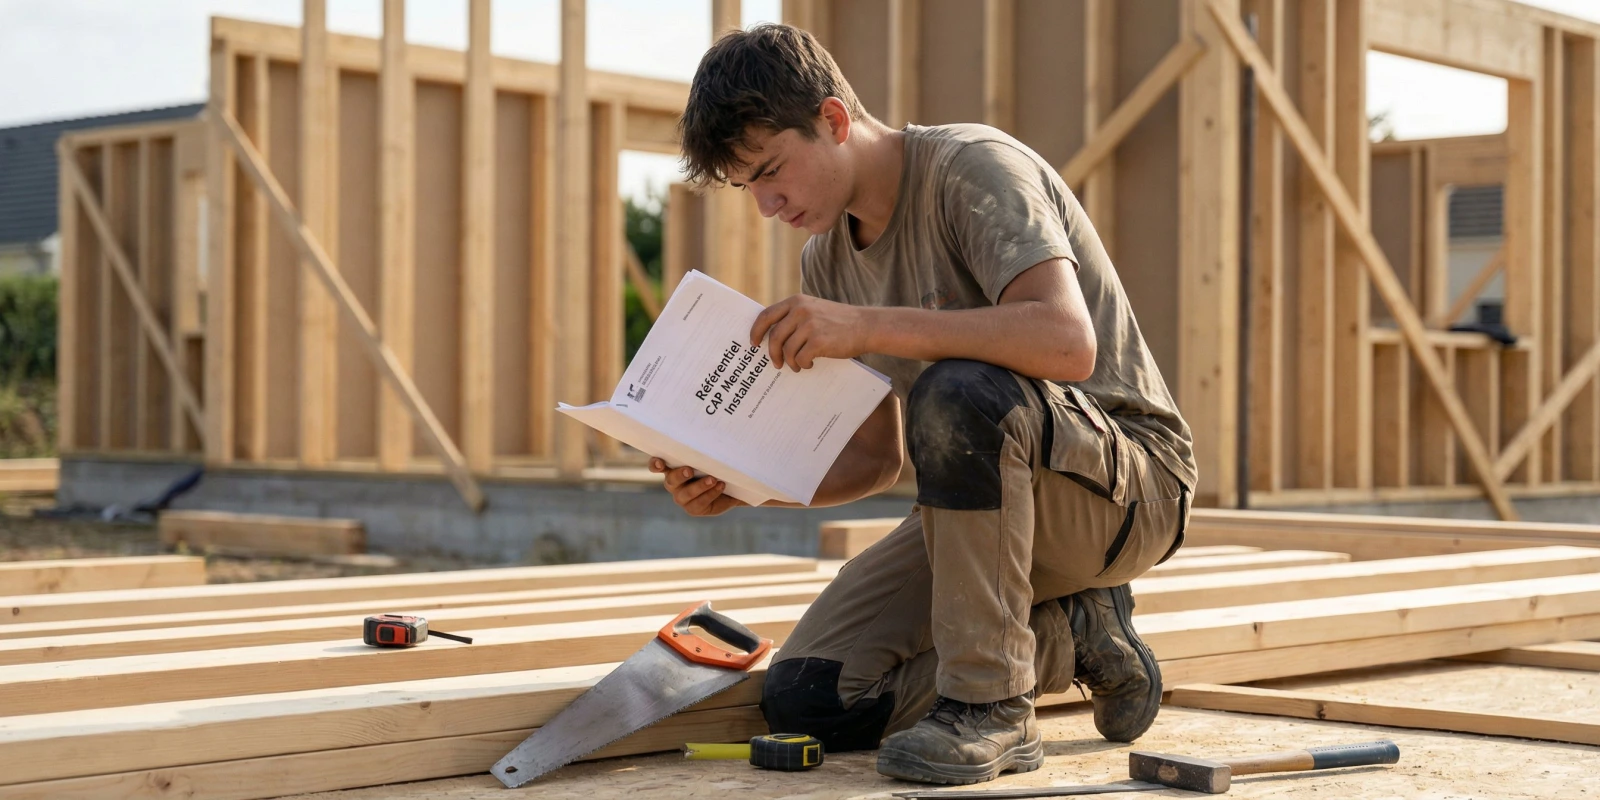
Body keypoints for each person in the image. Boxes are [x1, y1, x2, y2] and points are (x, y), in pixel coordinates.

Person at [649, 23, 1196, 787]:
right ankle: (1075, 634)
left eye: (772, 171)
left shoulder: (973, 168)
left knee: (958, 388)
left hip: (1127, 490)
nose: (768, 205)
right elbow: (880, 458)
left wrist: (866, 327)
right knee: (812, 696)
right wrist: (743, 485)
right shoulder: (829, 258)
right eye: (750, 188)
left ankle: (991, 708)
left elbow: (1067, 342)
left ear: (833, 120)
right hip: (981, 506)